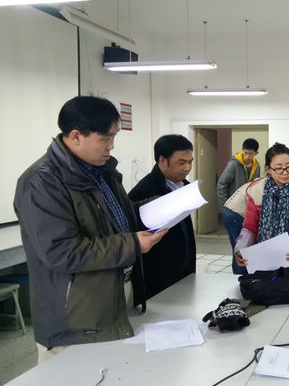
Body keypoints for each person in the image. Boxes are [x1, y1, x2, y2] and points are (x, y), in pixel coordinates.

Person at [13, 96, 166, 363]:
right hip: (75, 317)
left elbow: (118, 219)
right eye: (105, 138)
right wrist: (133, 244)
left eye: (114, 137)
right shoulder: (41, 183)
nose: (111, 145)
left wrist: (161, 208)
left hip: (114, 294)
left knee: (116, 377)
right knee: (72, 385)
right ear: (75, 136)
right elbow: (62, 252)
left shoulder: (102, 171)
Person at [128, 134, 196, 298]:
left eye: (190, 162)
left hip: (183, 266)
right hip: (158, 274)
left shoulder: (184, 186)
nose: (187, 168)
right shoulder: (144, 191)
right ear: (162, 160)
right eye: (181, 162)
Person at [235, 143, 289, 271]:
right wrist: (241, 249)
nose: (285, 172)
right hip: (264, 261)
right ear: (269, 169)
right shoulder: (257, 192)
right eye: (279, 168)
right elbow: (250, 228)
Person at [218, 138, 261, 273]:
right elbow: (221, 185)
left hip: (246, 212)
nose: (247, 156)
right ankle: (238, 277)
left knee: (241, 247)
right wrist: (226, 206)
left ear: (256, 153)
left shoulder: (256, 166)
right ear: (242, 150)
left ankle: (239, 275)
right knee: (239, 250)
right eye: (245, 153)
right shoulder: (233, 165)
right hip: (234, 211)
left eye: (250, 154)